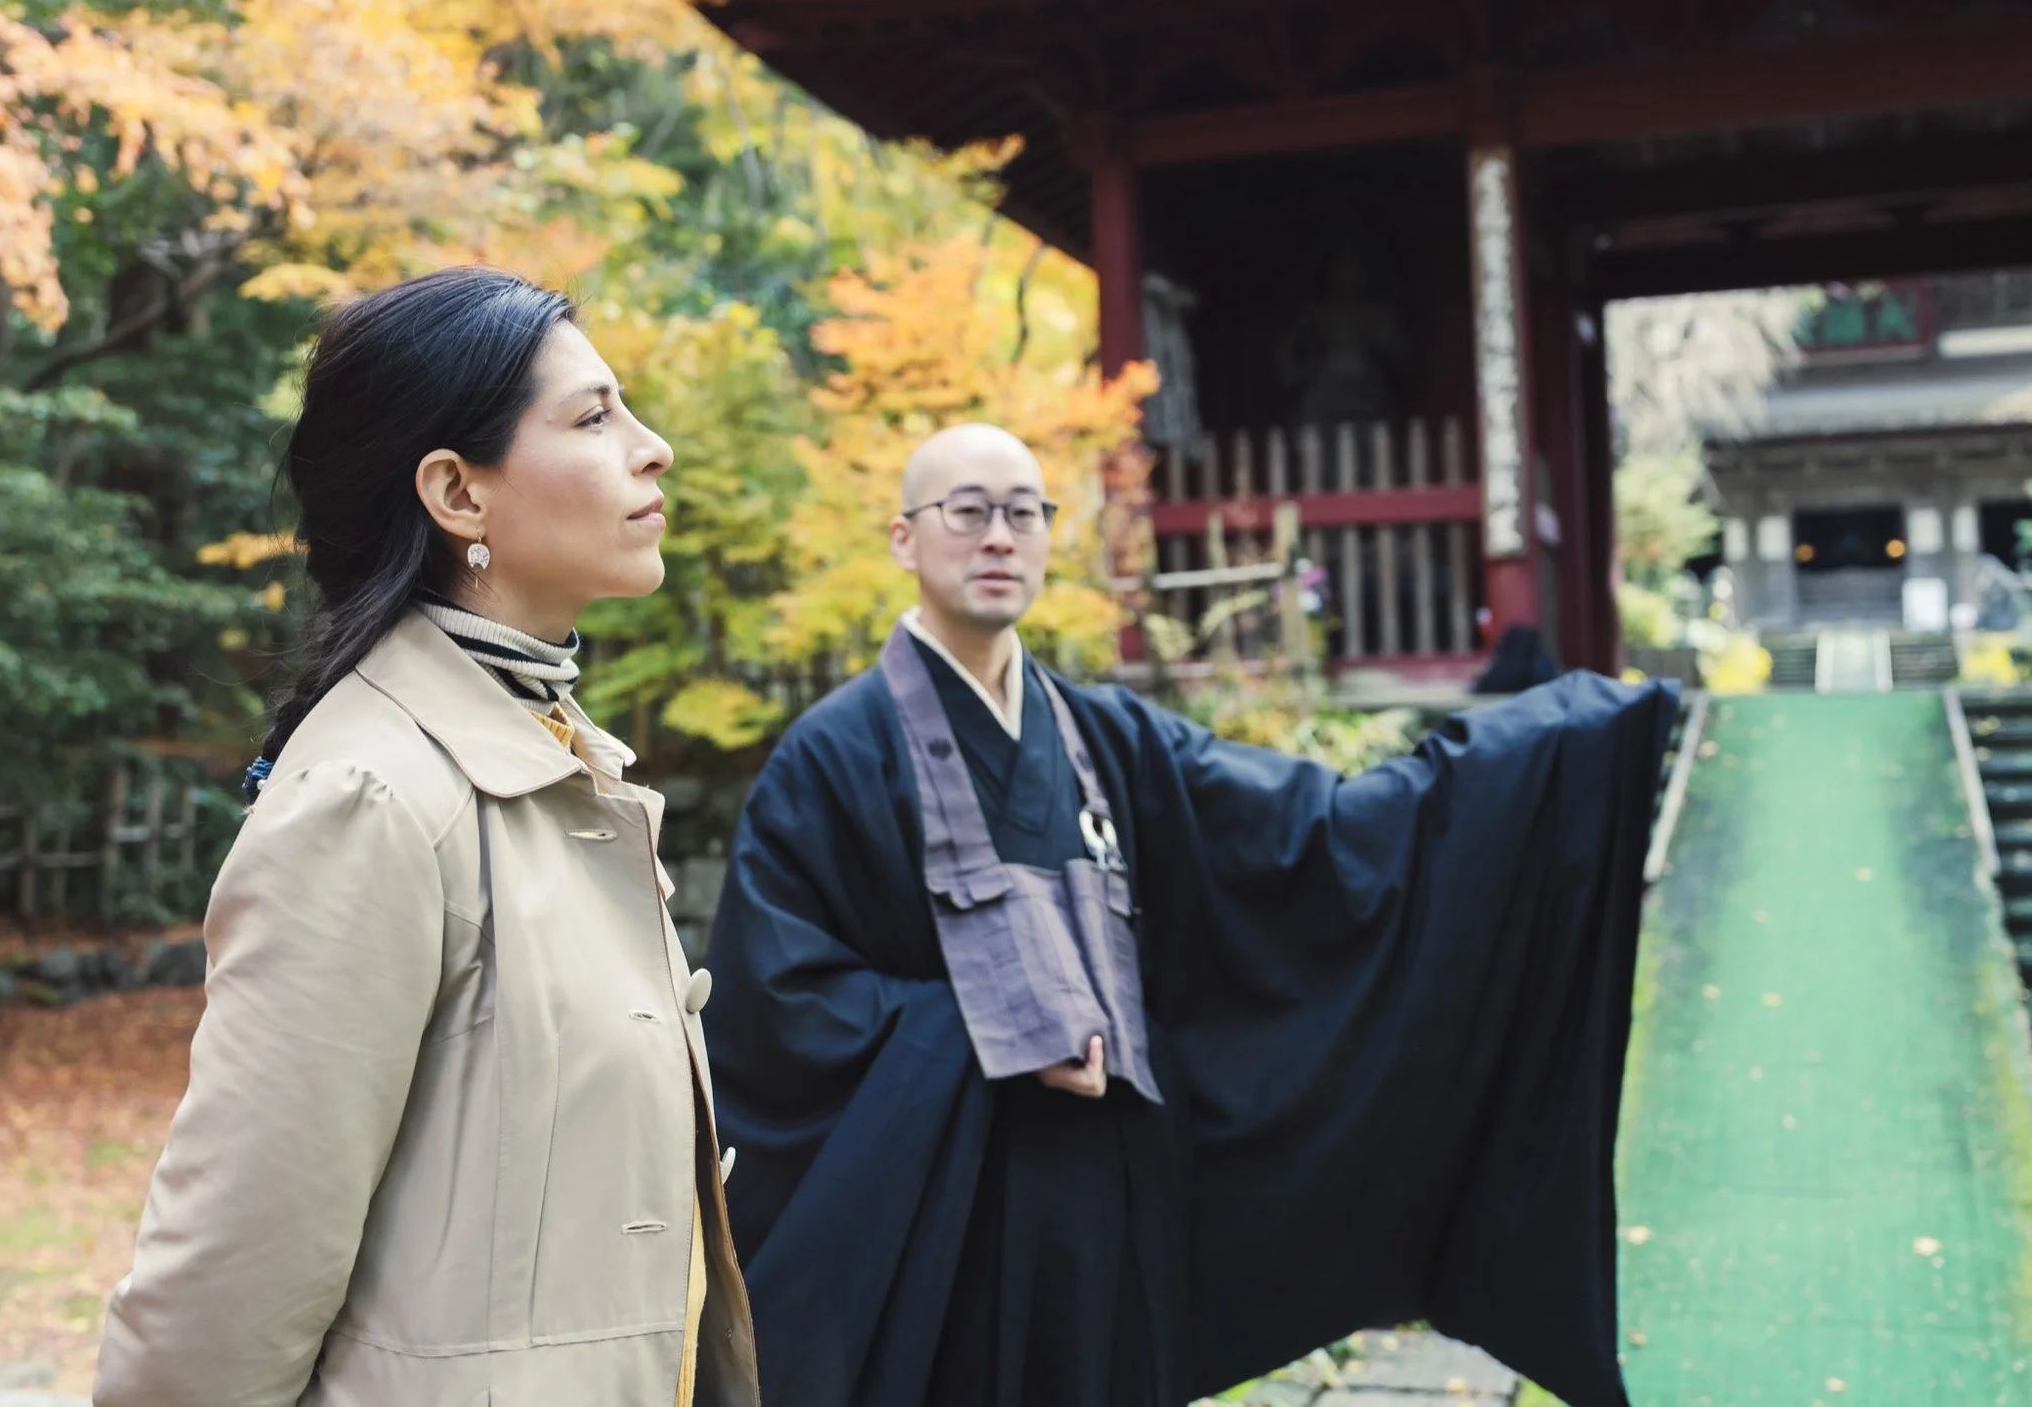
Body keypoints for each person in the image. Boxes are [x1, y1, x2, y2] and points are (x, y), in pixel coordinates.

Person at [702, 423, 1674, 1407]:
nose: (998, 536)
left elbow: (1316, 838)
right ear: (905, 538)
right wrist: (988, 1032)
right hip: (950, 1213)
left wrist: (1559, 746)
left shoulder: (1110, 736)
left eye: (1023, 512)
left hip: (1116, 1198)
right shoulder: (830, 757)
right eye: (967, 510)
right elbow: (781, 1003)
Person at [94, 269, 757, 1407]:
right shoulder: (375, 793)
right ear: (457, 492)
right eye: (594, 418)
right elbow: (229, 1280)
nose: (653, 450)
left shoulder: (553, 755)